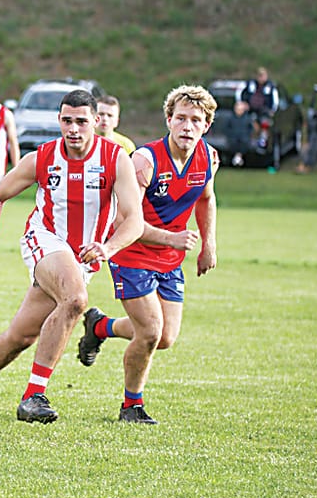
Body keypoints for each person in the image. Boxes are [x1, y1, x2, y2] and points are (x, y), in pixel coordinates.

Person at [0, 89, 143, 426]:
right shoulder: (42, 158)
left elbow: (135, 220)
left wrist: (108, 248)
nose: (74, 129)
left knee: (20, 337)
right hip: (44, 239)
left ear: (95, 121)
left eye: (82, 121)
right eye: (67, 121)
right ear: (59, 121)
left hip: (85, 255)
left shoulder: (115, 159)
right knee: (76, 298)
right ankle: (33, 395)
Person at [76, 85, 219, 424]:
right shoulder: (145, 161)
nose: (187, 126)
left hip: (169, 259)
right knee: (151, 332)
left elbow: (206, 198)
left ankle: (100, 327)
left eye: (195, 120)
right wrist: (172, 239)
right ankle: (131, 406)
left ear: (206, 126)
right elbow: (127, 220)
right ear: (168, 120)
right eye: (180, 118)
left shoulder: (209, 158)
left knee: (166, 338)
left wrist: (209, 244)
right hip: (132, 255)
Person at [238, 67, 279, 149]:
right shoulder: (250, 84)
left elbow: (275, 100)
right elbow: (240, 91)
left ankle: (262, 142)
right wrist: (242, 103)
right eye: (259, 76)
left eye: (263, 76)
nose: (261, 78)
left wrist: (272, 110)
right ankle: (248, 142)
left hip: (264, 110)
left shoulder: (270, 86)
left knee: (265, 124)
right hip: (251, 109)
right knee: (250, 123)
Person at [225, 99, 255, 167]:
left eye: (240, 109)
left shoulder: (247, 118)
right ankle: (237, 159)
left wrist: (248, 135)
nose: (239, 111)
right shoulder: (231, 118)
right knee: (233, 143)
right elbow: (227, 128)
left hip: (244, 138)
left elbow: (250, 128)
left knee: (244, 143)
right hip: (233, 137)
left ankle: (238, 158)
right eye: (237, 109)